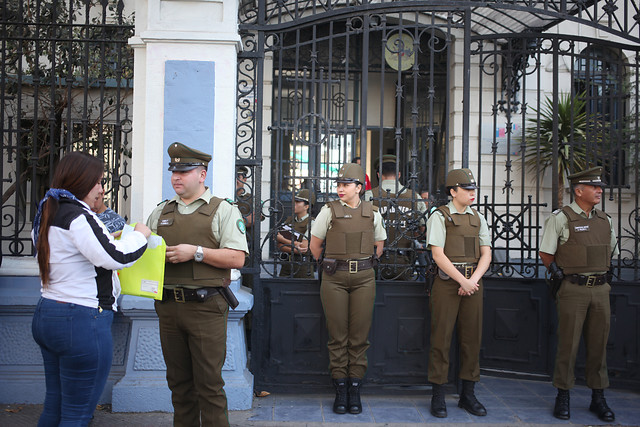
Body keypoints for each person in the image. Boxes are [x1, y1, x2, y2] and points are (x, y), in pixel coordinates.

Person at [31, 151, 151, 426]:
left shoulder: (48, 209)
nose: (102, 189)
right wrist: (139, 235)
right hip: (81, 321)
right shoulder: (77, 216)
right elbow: (114, 257)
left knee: (55, 405)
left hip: (47, 314)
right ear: (82, 181)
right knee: (77, 414)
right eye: (98, 181)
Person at [146, 142, 248, 427]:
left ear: (202, 175)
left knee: (209, 387)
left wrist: (196, 252)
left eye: (184, 171)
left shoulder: (223, 210)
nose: (176, 177)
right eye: (173, 171)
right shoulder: (161, 212)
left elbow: (237, 257)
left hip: (206, 308)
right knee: (179, 387)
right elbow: (143, 252)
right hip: (168, 307)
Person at [539, 166, 618, 423]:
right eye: (594, 187)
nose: (599, 191)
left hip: (601, 289)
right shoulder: (561, 218)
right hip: (573, 289)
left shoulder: (604, 220)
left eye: (600, 188)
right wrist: (556, 272)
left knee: (598, 347)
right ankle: (563, 395)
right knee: (568, 346)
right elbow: (546, 252)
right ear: (578, 190)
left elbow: (612, 252)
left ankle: (599, 397)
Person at [309, 163, 386, 415]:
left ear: (359, 188)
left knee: (359, 337)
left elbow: (379, 243)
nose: (340, 189)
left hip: (364, 277)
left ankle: (355, 387)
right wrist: (331, 265)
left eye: (346, 184)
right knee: (338, 336)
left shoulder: (373, 212)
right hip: (335, 278)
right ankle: (340, 388)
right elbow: (315, 245)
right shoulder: (328, 211)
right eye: (339, 185)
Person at [425, 168, 491, 418]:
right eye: (467, 189)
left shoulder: (478, 218)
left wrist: (472, 280)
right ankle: (438, 395)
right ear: (453, 192)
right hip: (447, 283)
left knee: (471, 340)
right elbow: (438, 254)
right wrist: (462, 280)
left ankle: (468, 394)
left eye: (473, 189)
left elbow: (486, 253)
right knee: (441, 339)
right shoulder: (439, 217)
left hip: (472, 283)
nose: (472, 193)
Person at [365, 155, 426, 280]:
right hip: (405, 261)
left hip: (375, 260)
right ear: (398, 174)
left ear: (379, 174)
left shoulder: (370, 196)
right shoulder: (415, 197)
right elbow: (424, 229)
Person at [277, 188, 315, 278]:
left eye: (298, 202)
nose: (294, 204)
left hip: (303, 266)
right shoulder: (289, 220)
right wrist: (295, 245)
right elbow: (278, 243)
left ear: (307, 206)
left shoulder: (312, 223)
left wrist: (283, 240)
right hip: (286, 264)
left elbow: (303, 247)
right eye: (294, 201)